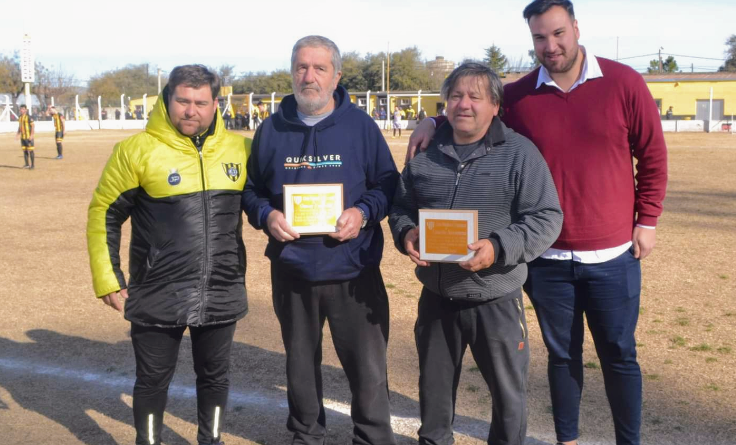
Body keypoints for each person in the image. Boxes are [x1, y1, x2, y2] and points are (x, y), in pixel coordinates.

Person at [406, 2, 668, 444]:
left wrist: (649, 218)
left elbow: (653, 154)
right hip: (547, 257)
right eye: (540, 37)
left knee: (619, 355)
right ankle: (568, 438)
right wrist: (431, 120)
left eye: (558, 33)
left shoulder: (624, 82)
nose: (551, 45)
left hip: (612, 252)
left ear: (576, 28)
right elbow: (473, 109)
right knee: (561, 355)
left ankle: (630, 440)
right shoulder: (521, 95)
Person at [390, 62, 563, 445]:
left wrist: (499, 247)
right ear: (445, 104)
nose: (463, 104)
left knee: (508, 399)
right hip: (437, 299)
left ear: (495, 106)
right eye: (455, 96)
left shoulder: (519, 153)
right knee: (434, 399)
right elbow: (400, 207)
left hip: (496, 299)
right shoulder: (424, 153)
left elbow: (548, 217)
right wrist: (406, 234)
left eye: (475, 96)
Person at [242, 35, 399, 445]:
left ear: (336, 76)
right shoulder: (271, 129)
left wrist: (362, 213)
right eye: (301, 67)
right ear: (292, 72)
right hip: (293, 270)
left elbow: (388, 184)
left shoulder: (361, 126)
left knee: (367, 370)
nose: (309, 76)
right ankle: (306, 436)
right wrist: (266, 215)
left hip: (354, 269)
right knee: (300, 369)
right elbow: (251, 190)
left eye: (319, 68)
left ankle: (373, 438)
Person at [87, 64, 251, 445]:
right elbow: (104, 213)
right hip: (157, 291)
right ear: (167, 99)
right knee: (152, 379)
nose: (191, 110)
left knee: (215, 376)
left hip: (222, 287)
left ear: (215, 105)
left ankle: (211, 440)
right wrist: (108, 277)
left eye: (200, 103)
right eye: (183, 101)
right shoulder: (135, 151)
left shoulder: (241, 150)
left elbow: (268, 201)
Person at [16, 104, 35, 169]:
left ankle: (32, 165)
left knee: (30, 150)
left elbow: (33, 126)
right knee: (25, 150)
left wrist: (31, 135)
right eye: (21, 109)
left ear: (26, 110)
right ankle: (27, 164)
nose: (21, 110)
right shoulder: (20, 117)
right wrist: (18, 134)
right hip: (23, 137)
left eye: (23, 109)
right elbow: (20, 126)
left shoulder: (29, 117)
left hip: (28, 137)